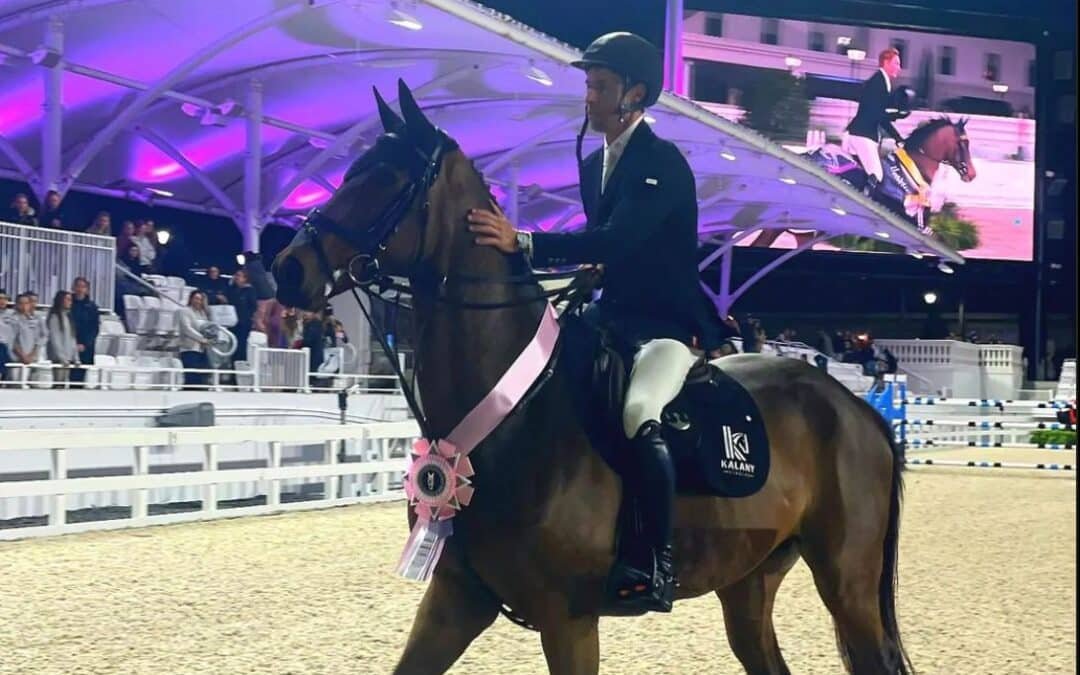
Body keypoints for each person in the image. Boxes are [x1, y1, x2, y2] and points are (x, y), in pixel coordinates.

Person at [467, 32, 720, 614]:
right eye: (588, 84)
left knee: (638, 413)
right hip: (611, 316)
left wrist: (522, 242)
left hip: (665, 327)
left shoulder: (661, 164)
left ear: (633, 94)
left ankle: (655, 560)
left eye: (600, 86)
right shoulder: (593, 164)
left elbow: (619, 239)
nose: (589, 97)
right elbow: (607, 257)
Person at [842, 47, 903, 194]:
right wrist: (896, 118)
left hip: (858, 133)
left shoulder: (882, 82)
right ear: (886, 63)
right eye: (896, 63)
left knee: (863, 173)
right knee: (877, 175)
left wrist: (897, 137)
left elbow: (880, 114)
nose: (899, 68)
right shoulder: (878, 83)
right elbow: (877, 115)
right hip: (863, 135)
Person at [177, 291, 211, 389]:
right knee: (191, 376)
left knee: (201, 375)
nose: (198, 301)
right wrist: (202, 339)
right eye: (196, 298)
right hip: (189, 348)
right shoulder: (185, 311)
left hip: (201, 350)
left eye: (200, 299)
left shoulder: (203, 314)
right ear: (191, 299)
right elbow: (186, 329)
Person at [70, 277, 100, 385]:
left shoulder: (92, 307)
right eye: (78, 286)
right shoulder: (68, 304)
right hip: (69, 346)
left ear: (87, 289)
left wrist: (85, 344)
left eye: (83, 287)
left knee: (80, 378)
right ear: (73, 287)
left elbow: (94, 329)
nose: (80, 289)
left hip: (86, 348)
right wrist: (73, 343)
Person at [46, 290, 79, 386]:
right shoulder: (55, 317)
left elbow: (72, 339)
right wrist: (61, 357)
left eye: (70, 300)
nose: (70, 302)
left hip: (68, 357)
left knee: (64, 383)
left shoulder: (69, 317)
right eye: (67, 299)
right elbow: (55, 338)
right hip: (59, 358)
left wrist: (75, 357)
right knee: (58, 383)